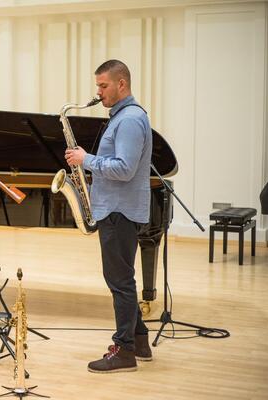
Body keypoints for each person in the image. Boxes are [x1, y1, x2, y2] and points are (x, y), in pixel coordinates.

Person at [64, 59, 153, 373]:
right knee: (122, 278)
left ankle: (124, 351)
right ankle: (140, 342)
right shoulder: (122, 117)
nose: (98, 92)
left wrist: (86, 160)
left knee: (120, 282)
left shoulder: (129, 120)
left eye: (103, 85)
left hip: (119, 211)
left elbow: (125, 169)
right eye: (98, 86)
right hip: (116, 209)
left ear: (121, 84)